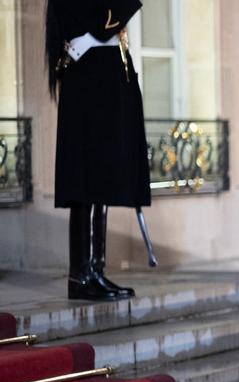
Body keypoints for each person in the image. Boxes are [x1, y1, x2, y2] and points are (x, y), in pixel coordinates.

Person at [46, 0, 149, 301]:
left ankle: (95, 270)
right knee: (87, 181)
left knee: (100, 181)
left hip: (103, 82)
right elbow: (105, 17)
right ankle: (81, 276)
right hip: (91, 83)